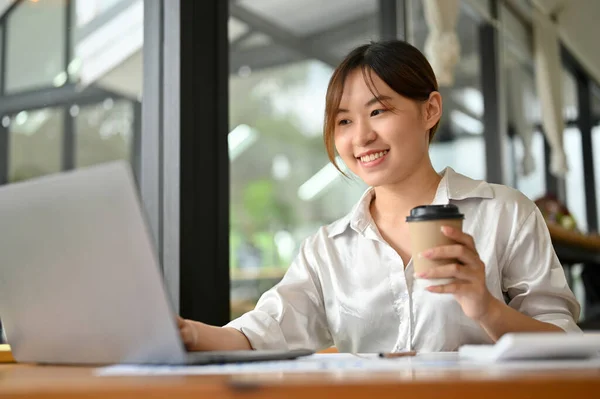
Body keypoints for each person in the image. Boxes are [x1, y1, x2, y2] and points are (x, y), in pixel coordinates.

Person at [178, 40, 581, 353]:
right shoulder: (328, 250)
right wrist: (186, 332)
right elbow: (261, 332)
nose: (361, 137)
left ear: (430, 110)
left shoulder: (505, 214)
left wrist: (486, 308)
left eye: (378, 111)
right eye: (344, 121)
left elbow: (565, 344)